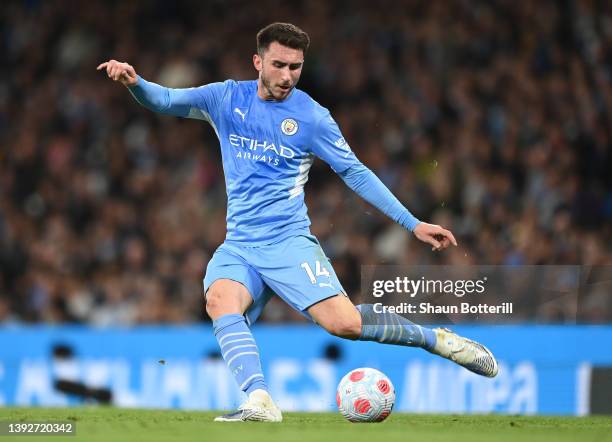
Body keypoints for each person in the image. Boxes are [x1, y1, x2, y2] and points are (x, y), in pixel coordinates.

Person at [98, 22, 498, 422]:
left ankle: (439, 341)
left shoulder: (312, 117)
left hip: (288, 243)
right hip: (240, 244)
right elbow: (166, 100)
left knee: (344, 324)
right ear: (257, 62)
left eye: (296, 66)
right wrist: (135, 82)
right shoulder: (224, 98)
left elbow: (355, 172)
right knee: (220, 300)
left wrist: (412, 223)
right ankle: (259, 400)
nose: (287, 76)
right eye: (279, 64)